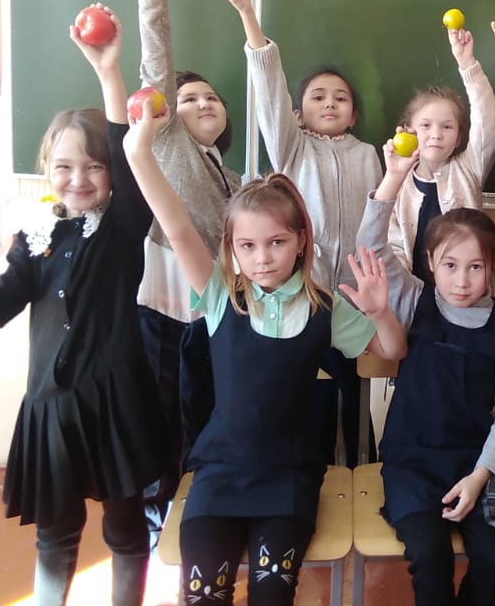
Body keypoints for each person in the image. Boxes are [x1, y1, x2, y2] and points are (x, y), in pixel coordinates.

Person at [124, 97, 407, 606]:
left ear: (300, 241)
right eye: (247, 246)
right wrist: (138, 151)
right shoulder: (220, 296)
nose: (262, 258)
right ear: (231, 248)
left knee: (271, 595)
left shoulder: (323, 308)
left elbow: (392, 350)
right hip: (218, 475)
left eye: (276, 242)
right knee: (203, 597)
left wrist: (381, 312)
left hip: (289, 479)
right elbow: (177, 226)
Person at [0, 7, 165, 606]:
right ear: (47, 170)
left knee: (125, 525)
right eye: (64, 166)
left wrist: (109, 72)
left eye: (93, 166)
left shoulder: (122, 225)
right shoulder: (36, 237)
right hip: (52, 407)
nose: (79, 178)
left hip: (117, 404)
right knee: (55, 531)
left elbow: (127, 155)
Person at [221, 0, 382, 467]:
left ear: (354, 115)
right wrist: (248, 17)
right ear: (296, 114)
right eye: (318, 96)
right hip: (302, 301)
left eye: (341, 98)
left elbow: (384, 219)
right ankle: (304, 473)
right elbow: (269, 92)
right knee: (306, 404)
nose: (330, 102)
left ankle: (357, 470)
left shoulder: (369, 155)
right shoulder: (292, 149)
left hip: (353, 302)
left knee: (355, 403)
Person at [357, 137, 495, 606]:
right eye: (450, 265)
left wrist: (481, 476)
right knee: (430, 557)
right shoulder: (416, 300)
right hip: (411, 463)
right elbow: (370, 246)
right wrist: (393, 179)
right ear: (430, 263)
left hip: (475, 464)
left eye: (475, 267)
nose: (462, 279)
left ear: (491, 267)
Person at [132, 0, 242, 547]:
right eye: (188, 97)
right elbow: (156, 67)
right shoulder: (169, 140)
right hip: (169, 309)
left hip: (212, 313)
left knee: (202, 421)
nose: (202, 103)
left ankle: (195, 527)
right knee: (164, 428)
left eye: (212, 98)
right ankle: (158, 535)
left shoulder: (232, 177)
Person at [387, 26, 495, 282]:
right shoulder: (398, 183)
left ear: (459, 137)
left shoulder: (468, 169)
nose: (436, 134)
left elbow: (490, 122)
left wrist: (467, 63)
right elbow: (392, 245)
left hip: (462, 289)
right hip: (413, 292)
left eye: (447, 127)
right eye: (425, 125)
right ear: (408, 132)